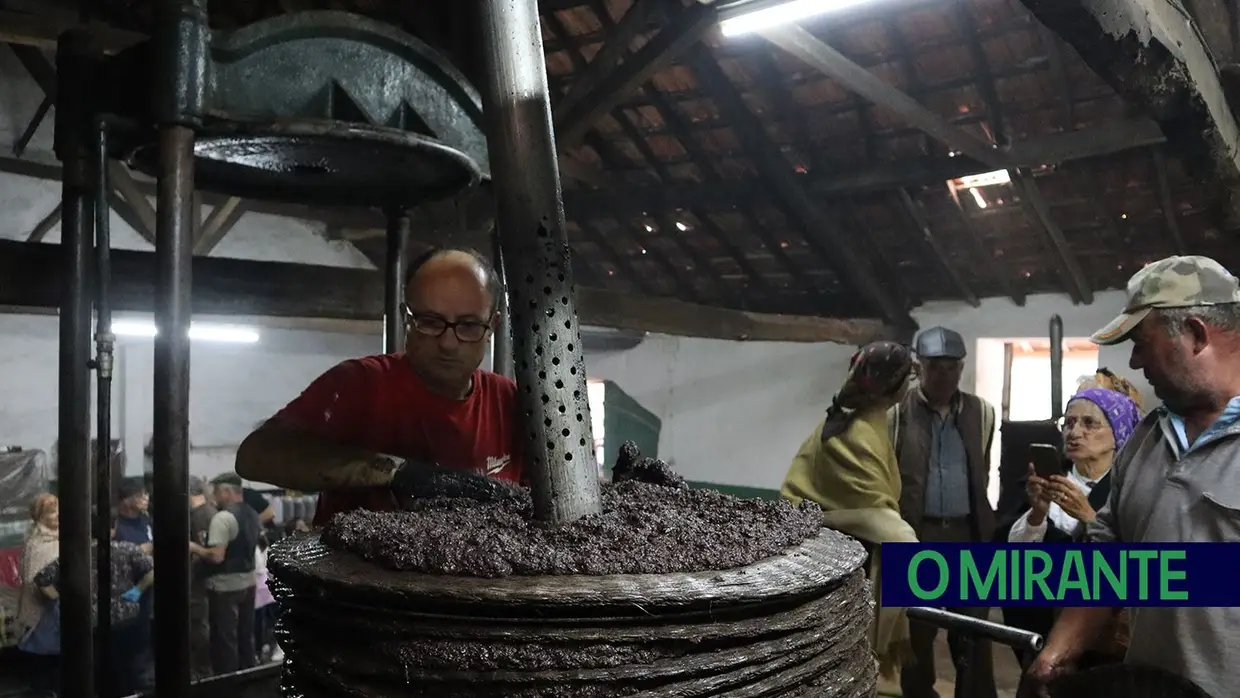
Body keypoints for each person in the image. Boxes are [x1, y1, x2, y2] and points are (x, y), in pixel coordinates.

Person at [1025, 255, 1240, 698]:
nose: (1136, 362)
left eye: (1143, 342)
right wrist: (1058, 653)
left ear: (1197, 335)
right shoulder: (1147, 438)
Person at [235, 247, 525, 525]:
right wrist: (397, 472)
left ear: (493, 326)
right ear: (405, 318)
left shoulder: (508, 401)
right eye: (429, 321)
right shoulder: (360, 384)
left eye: (469, 325)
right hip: (352, 574)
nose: (448, 343)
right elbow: (256, 455)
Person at [780, 341, 919, 677]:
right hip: (829, 550)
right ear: (896, 386)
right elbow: (876, 514)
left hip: (841, 543)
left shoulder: (861, 421)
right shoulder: (857, 432)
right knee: (904, 545)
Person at [892, 326, 997, 698]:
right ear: (919, 367)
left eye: (952, 367)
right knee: (917, 633)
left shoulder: (981, 412)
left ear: (962, 367)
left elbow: (981, 467)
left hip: (969, 536)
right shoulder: (896, 414)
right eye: (935, 366)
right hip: (917, 537)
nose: (945, 375)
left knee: (975, 633)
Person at [1003, 387, 1142, 668]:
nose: (1074, 432)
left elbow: (1135, 565)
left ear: (1119, 434)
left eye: (1090, 423)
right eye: (1068, 423)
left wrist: (1088, 516)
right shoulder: (1047, 483)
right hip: (1041, 627)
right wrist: (1038, 514)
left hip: (1102, 641)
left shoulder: (1132, 490)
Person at [33, 512, 154, 698]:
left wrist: (62, 599)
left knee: (95, 672)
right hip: (126, 620)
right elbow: (152, 572)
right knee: (126, 672)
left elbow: (42, 579)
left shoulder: (76, 555)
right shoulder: (128, 549)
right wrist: (138, 590)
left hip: (90, 622)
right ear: (113, 528)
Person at [191, 472, 261, 674]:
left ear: (228, 491)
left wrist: (195, 548)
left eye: (216, 492)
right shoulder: (252, 513)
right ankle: (249, 678)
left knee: (225, 640)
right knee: (245, 636)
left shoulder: (222, 518)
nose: (213, 497)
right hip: (249, 584)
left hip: (224, 588)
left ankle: (227, 685)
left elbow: (216, 556)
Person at [16, 493, 60, 696]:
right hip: (44, 611)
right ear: (40, 517)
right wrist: (57, 596)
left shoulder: (62, 537)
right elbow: (34, 579)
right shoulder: (37, 543)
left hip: (60, 610)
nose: (58, 515)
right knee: (45, 662)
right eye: (52, 512)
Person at [187, 476, 218, 681]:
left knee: (198, 625)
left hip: (199, 580)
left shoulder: (200, 515)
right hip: (207, 580)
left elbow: (205, 550)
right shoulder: (210, 510)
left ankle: (202, 670)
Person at [113, 480, 152, 554]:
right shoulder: (117, 526)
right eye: (139, 495)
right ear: (126, 500)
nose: (146, 498)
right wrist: (138, 550)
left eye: (146, 493)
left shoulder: (147, 519)